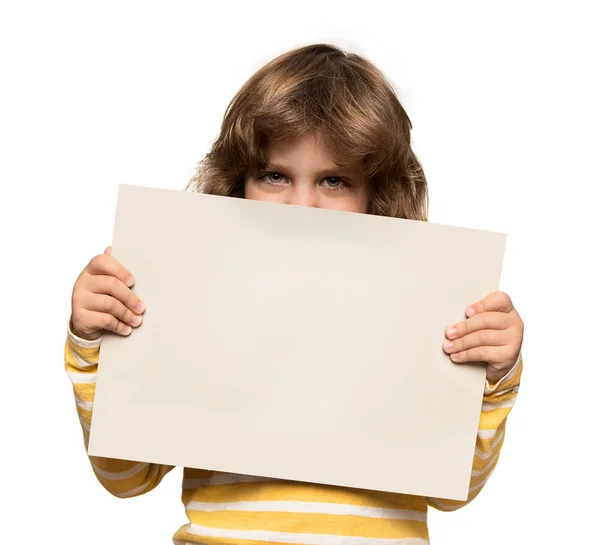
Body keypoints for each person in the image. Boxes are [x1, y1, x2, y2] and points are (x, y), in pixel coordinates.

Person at [65, 43, 524, 545]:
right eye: (275, 176)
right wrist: (93, 347)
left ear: (376, 195)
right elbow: (125, 476)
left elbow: (453, 492)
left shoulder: (421, 317)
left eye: (334, 180)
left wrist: (493, 377)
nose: (301, 206)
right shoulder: (198, 301)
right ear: (239, 184)